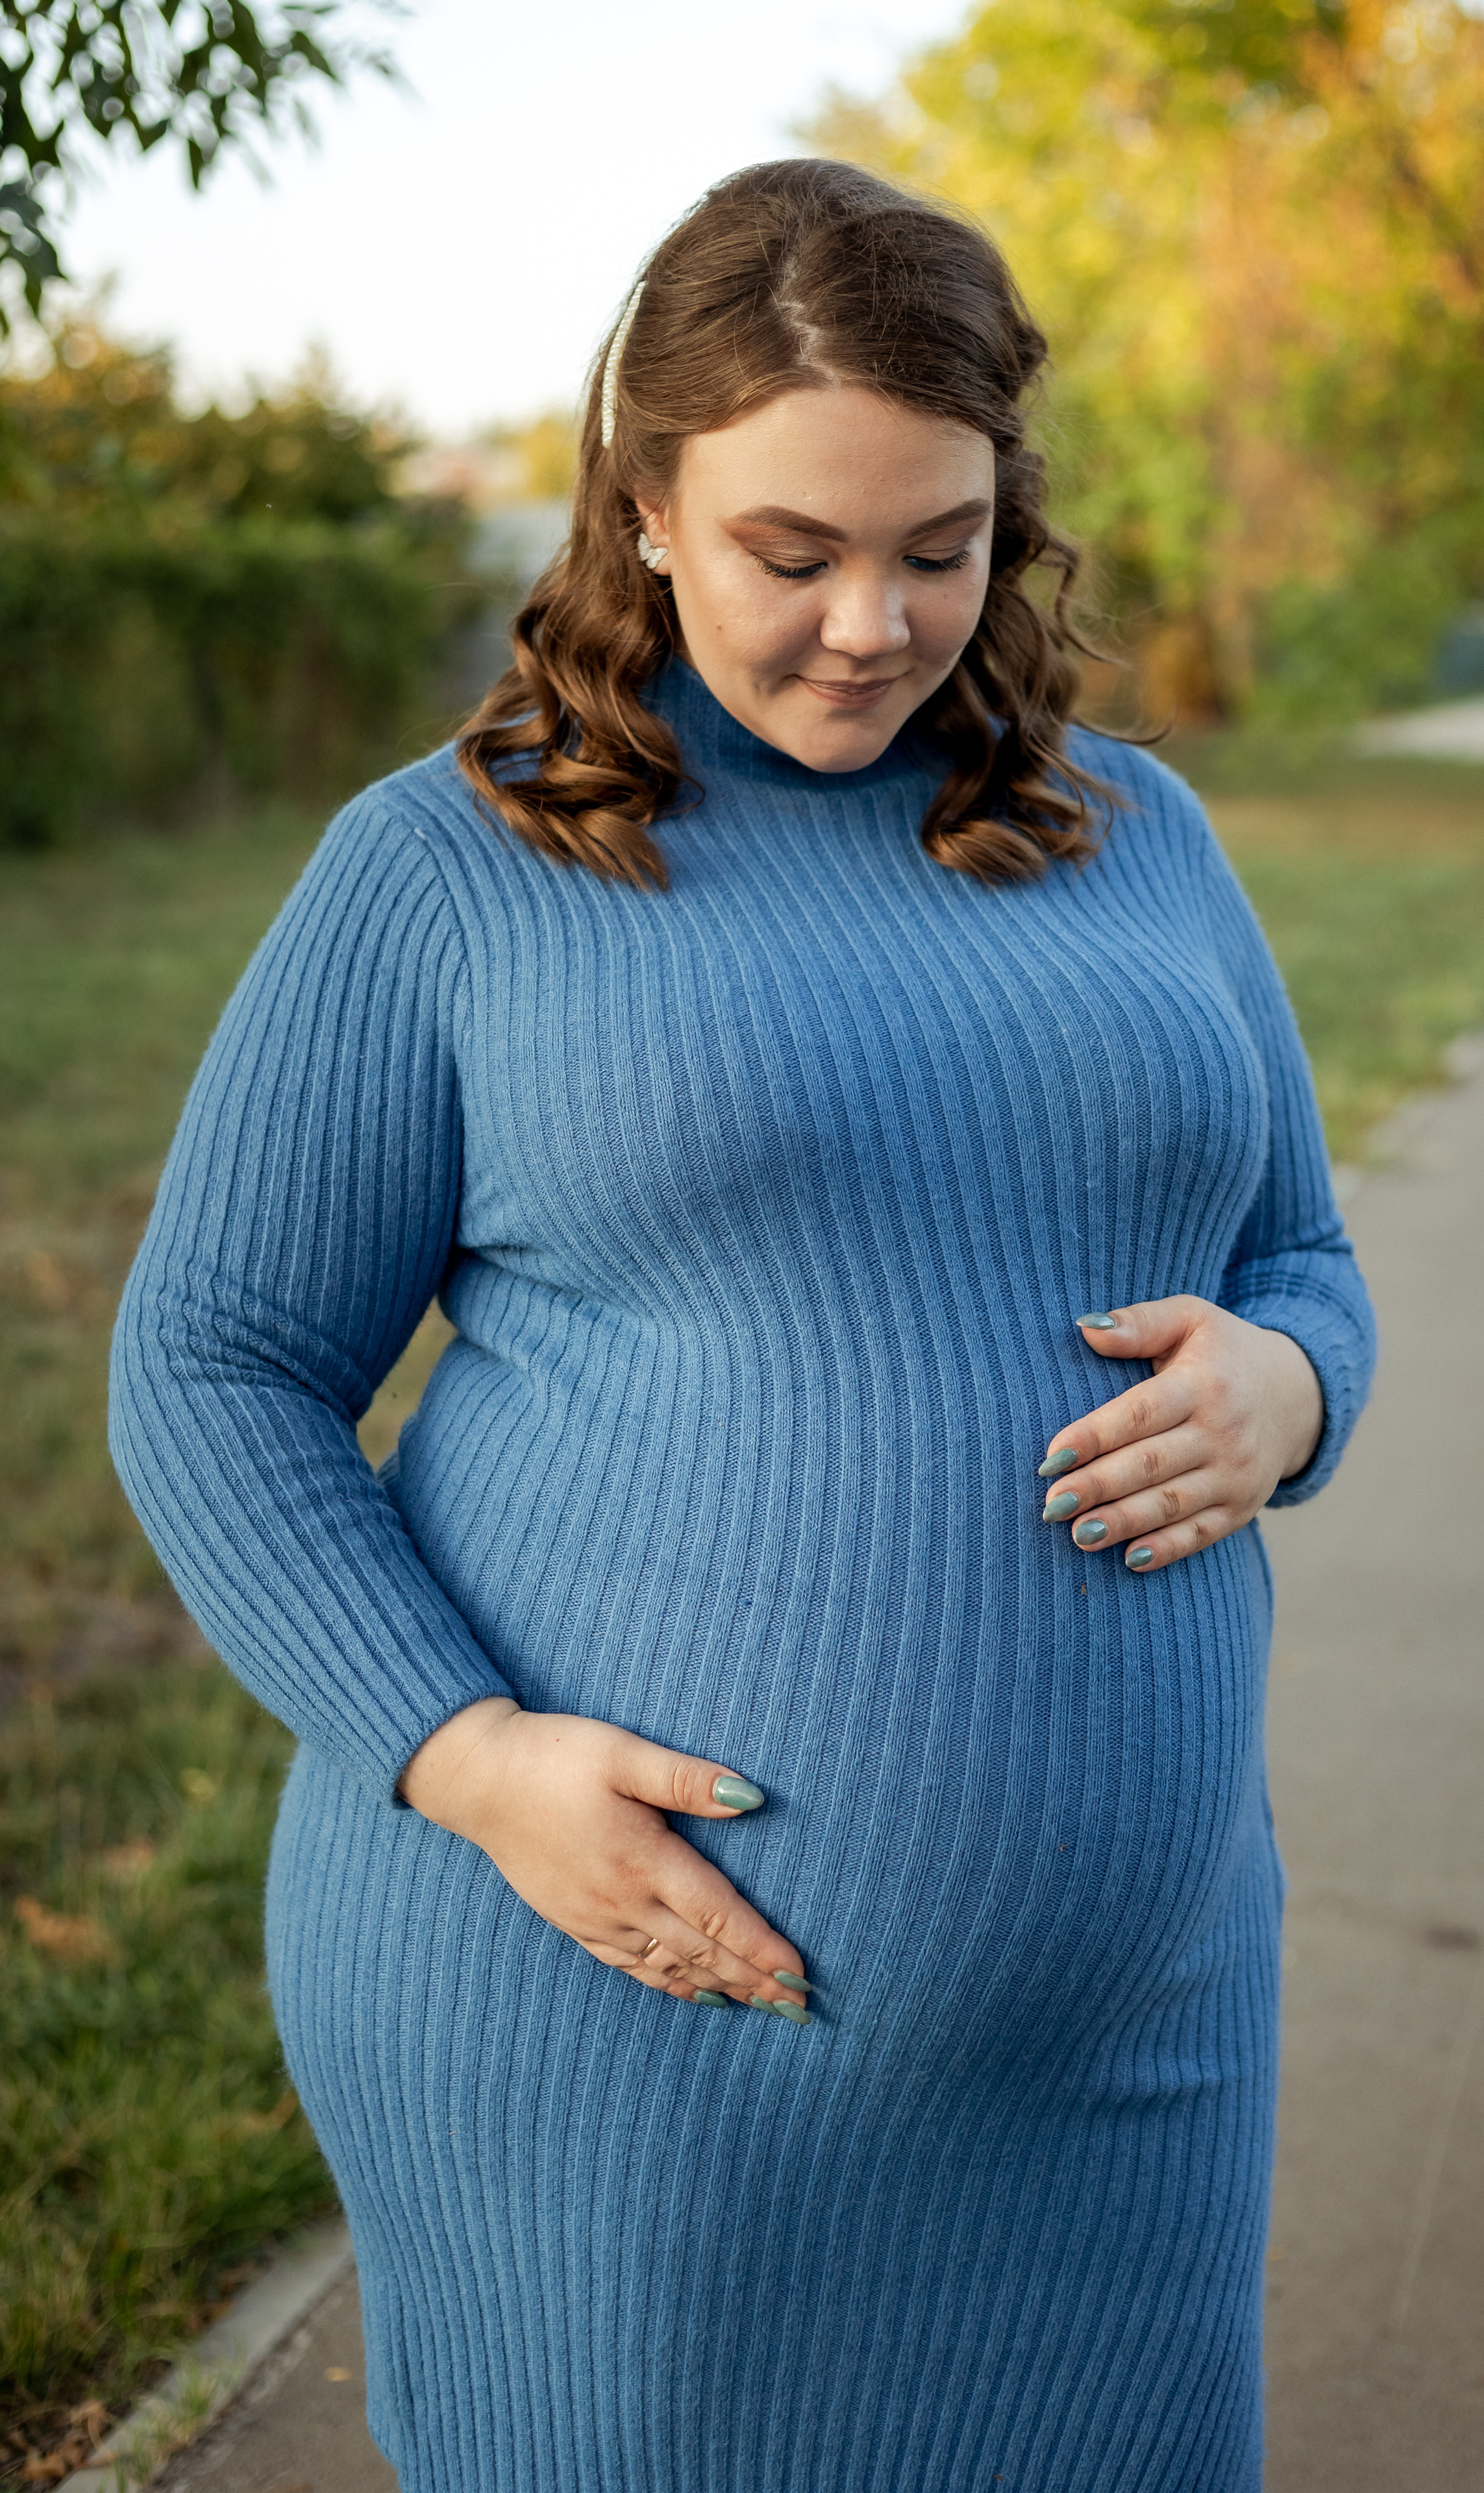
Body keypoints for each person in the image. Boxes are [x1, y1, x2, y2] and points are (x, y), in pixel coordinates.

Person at [111, 158, 1374, 2493]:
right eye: (795, 554)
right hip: (622, 2030)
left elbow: (1303, 1255)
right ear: (648, 508)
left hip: (1140, 2029)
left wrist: (1291, 1390)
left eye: (941, 547)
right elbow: (212, 1367)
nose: (874, 625)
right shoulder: (455, 866)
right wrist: (466, 1759)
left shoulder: (1141, 835)